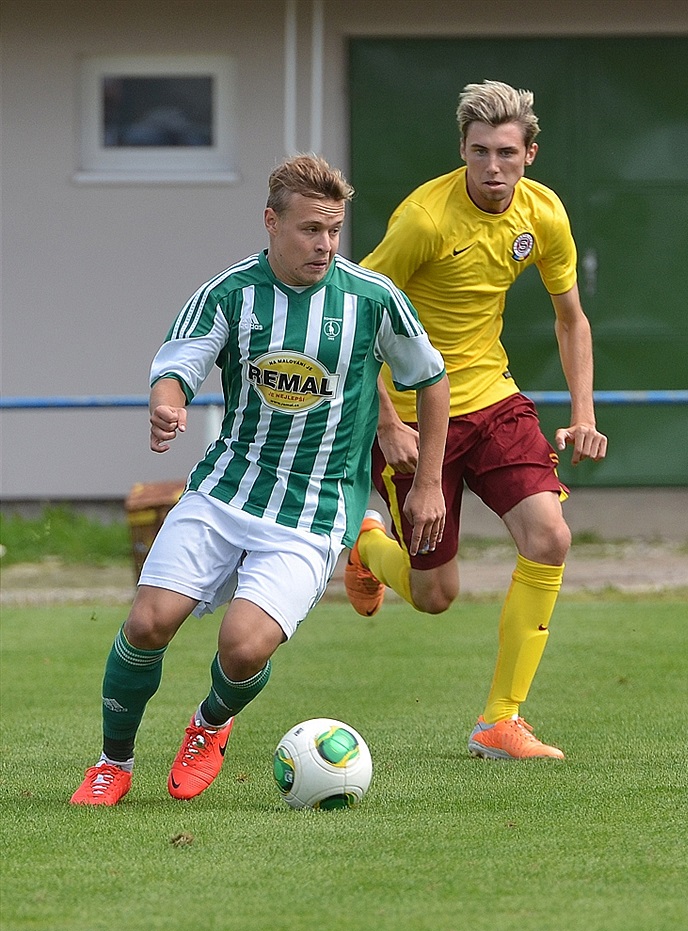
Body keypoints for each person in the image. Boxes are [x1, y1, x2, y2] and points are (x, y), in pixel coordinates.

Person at [71, 154, 449, 806]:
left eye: (333, 229)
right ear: (271, 222)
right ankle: (114, 761)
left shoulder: (370, 298)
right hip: (227, 487)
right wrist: (167, 402)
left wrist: (429, 482)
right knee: (148, 622)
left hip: (317, 505)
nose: (325, 244)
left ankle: (211, 723)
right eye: (309, 229)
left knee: (243, 647)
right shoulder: (229, 293)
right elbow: (178, 363)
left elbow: (431, 378)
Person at [344, 80, 608, 760]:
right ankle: (367, 545)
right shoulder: (423, 221)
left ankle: (501, 720)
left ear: (530, 155)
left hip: (493, 399)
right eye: (480, 152)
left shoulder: (543, 215)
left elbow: (571, 318)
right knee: (436, 595)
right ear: (462, 151)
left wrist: (583, 413)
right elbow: (353, 319)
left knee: (549, 536)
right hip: (411, 414)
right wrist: (382, 425)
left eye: (507, 153)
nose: (493, 167)